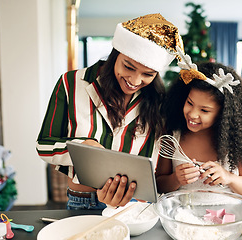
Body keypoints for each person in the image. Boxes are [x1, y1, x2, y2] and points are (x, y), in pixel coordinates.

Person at [36, 13, 184, 209]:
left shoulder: (157, 103)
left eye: (148, 74)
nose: (135, 80)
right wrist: (83, 147)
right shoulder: (71, 84)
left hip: (133, 206)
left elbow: (151, 167)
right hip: (83, 202)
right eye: (128, 67)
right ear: (116, 54)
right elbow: (43, 146)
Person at [155, 52, 242, 198]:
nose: (193, 114)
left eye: (204, 110)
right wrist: (175, 179)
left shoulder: (235, 140)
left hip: (227, 215)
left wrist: (229, 177)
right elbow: (159, 184)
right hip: (183, 215)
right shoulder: (173, 134)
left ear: (224, 114)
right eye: (190, 103)